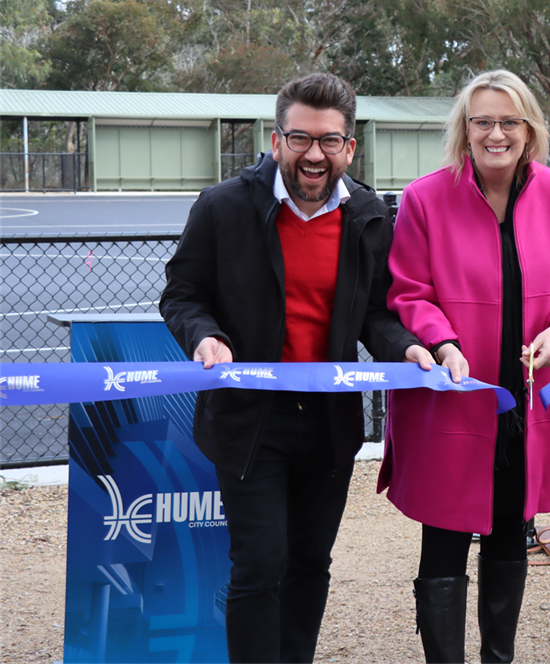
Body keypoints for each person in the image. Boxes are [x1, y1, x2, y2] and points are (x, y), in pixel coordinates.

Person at [160, 73, 432, 664]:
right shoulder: (223, 206)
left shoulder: (366, 214)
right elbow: (182, 295)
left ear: (349, 147)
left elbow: (378, 316)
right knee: (259, 565)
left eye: (329, 141)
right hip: (248, 421)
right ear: (277, 139)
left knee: (311, 564)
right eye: (300, 138)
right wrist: (205, 338)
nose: (314, 154)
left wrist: (406, 348)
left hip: (330, 424)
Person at [377, 70, 550, 664]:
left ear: (529, 131)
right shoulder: (426, 197)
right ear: (465, 129)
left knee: (508, 535)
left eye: (509, 122)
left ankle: (497, 658)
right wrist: (444, 342)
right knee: (445, 537)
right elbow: (409, 292)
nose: (495, 133)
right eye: (482, 121)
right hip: (454, 393)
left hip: (526, 401)